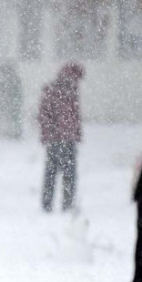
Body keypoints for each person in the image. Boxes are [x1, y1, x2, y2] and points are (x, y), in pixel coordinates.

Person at [37, 62, 84, 212]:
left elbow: (74, 117)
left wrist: (75, 134)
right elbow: (45, 115)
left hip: (63, 139)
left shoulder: (68, 91)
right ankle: (57, 204)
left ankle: (60, 204)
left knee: (58, 173)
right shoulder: (56, 91)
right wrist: (52, 134)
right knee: (62, 173)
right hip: (58, 139)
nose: (77, 82)